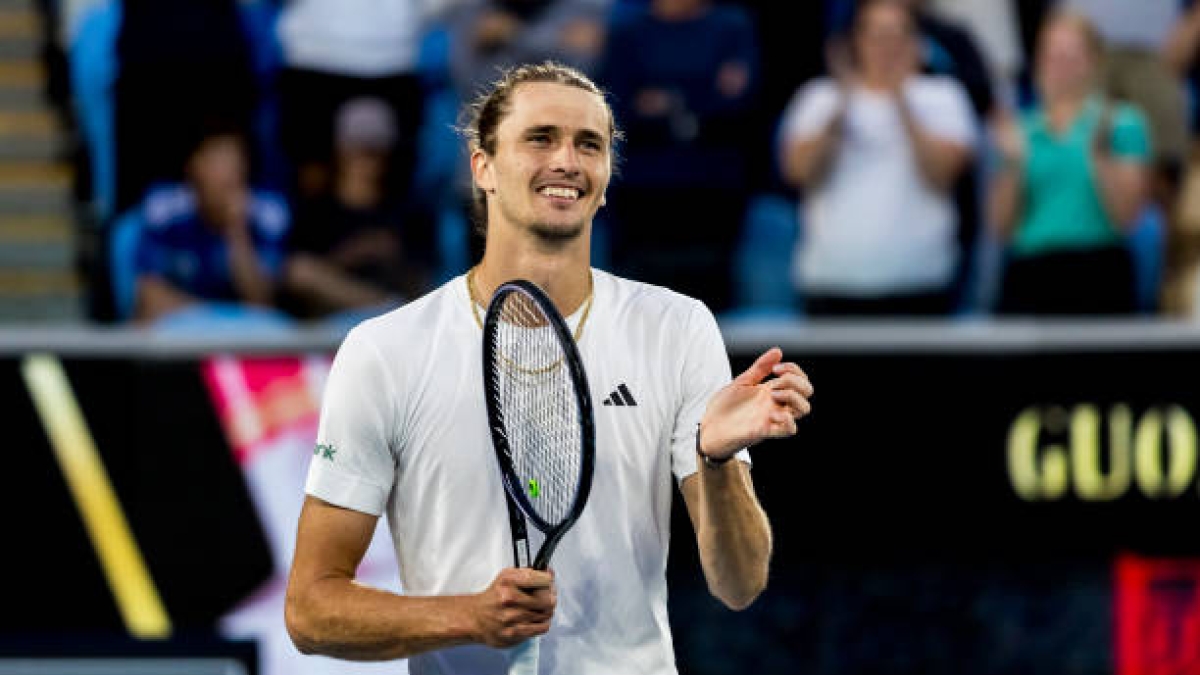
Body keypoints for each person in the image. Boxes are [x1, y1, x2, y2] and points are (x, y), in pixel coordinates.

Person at [284, 61, 814, 674]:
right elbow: (310, 608)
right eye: (540, 138)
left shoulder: (677, 327)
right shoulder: (385, 350)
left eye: (589, 145)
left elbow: (739, 583)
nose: (567, 161)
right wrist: (467, 618)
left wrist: (715, 461)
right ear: (482, 167)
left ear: (606, 179)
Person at [779, 0, 976, 316]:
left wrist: (901, 101)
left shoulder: (943, 96)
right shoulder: (819, 97)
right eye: (877, 36)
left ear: (915, 42)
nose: (887, 48)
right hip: (831, 283)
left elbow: (943, 174)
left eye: (897, 36)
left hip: (920, 283)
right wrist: (844, 100)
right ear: (857, 40)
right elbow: (798, 171)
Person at [988, 10, 1151, 316]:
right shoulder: (1020, 131)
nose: (1059, 67)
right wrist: (1013, 164)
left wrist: (1101, 155)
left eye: (1070, 56)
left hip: (1098, 271)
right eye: (1051, 56)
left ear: (1093, 62)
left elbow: (1127, 217)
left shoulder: (1121, 122)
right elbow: (1001, 227)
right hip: (1031, 274)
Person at [280, 97, 436, 324]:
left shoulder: (407, 210)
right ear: (341, 150)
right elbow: (295, 278)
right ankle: (382, 305)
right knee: (301, 270)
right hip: (332, 316)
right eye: (360, 150)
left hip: (392, 309)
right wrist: (351, 254)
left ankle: (385, 307)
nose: (368, 161)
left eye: (376, 151)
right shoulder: (315, 210)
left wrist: (389, 255)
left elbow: (421, 280)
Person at [132, 127, 290, 324]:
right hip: (182, 331)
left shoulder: (268, 214)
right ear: (194, 165)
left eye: (236, 162)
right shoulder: (164, 208)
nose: (229, 174)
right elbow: (149, 296)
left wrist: (237, 231)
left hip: (244, 335)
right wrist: (213, 317)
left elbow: (262, 305)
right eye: (218, 161)